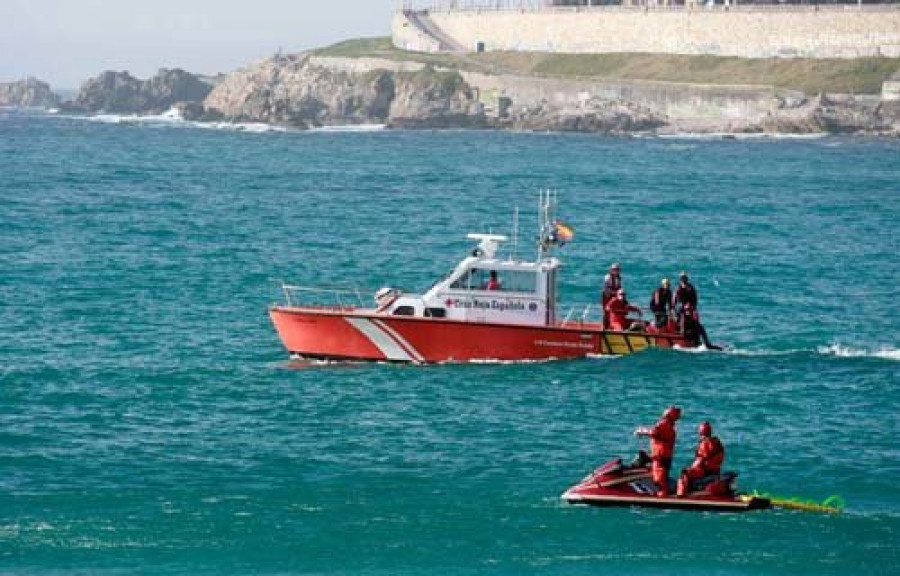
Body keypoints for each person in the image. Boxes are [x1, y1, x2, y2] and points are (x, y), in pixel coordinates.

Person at [634, 406, 681, 496]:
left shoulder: (664, 424)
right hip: (663, 456)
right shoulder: (669, 425)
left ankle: (662, 495)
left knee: (659, 479)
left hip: (660, 457)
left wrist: (641, 430)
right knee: (661, 477)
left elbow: (653, 432)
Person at [677, 421, 725, 497]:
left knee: (684, 474)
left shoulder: (705, 443)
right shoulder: (717, 442)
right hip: (714, 470)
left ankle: (681, 494)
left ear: (701, 431)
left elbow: (701, 459)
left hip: (704, 470)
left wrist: (690, 469)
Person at [601, 263, 622, 327]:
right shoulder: (608, 277)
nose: (616, 271)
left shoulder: (619, 278)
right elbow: (606, 289)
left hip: (614, 296)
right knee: (607, 312)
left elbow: (619, 287)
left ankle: (612, 325)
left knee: (615, 312)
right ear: (611, 270)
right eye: (614, 269)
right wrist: (615, 293)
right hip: (607, 296)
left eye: (617, 269)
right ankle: (605, 327)